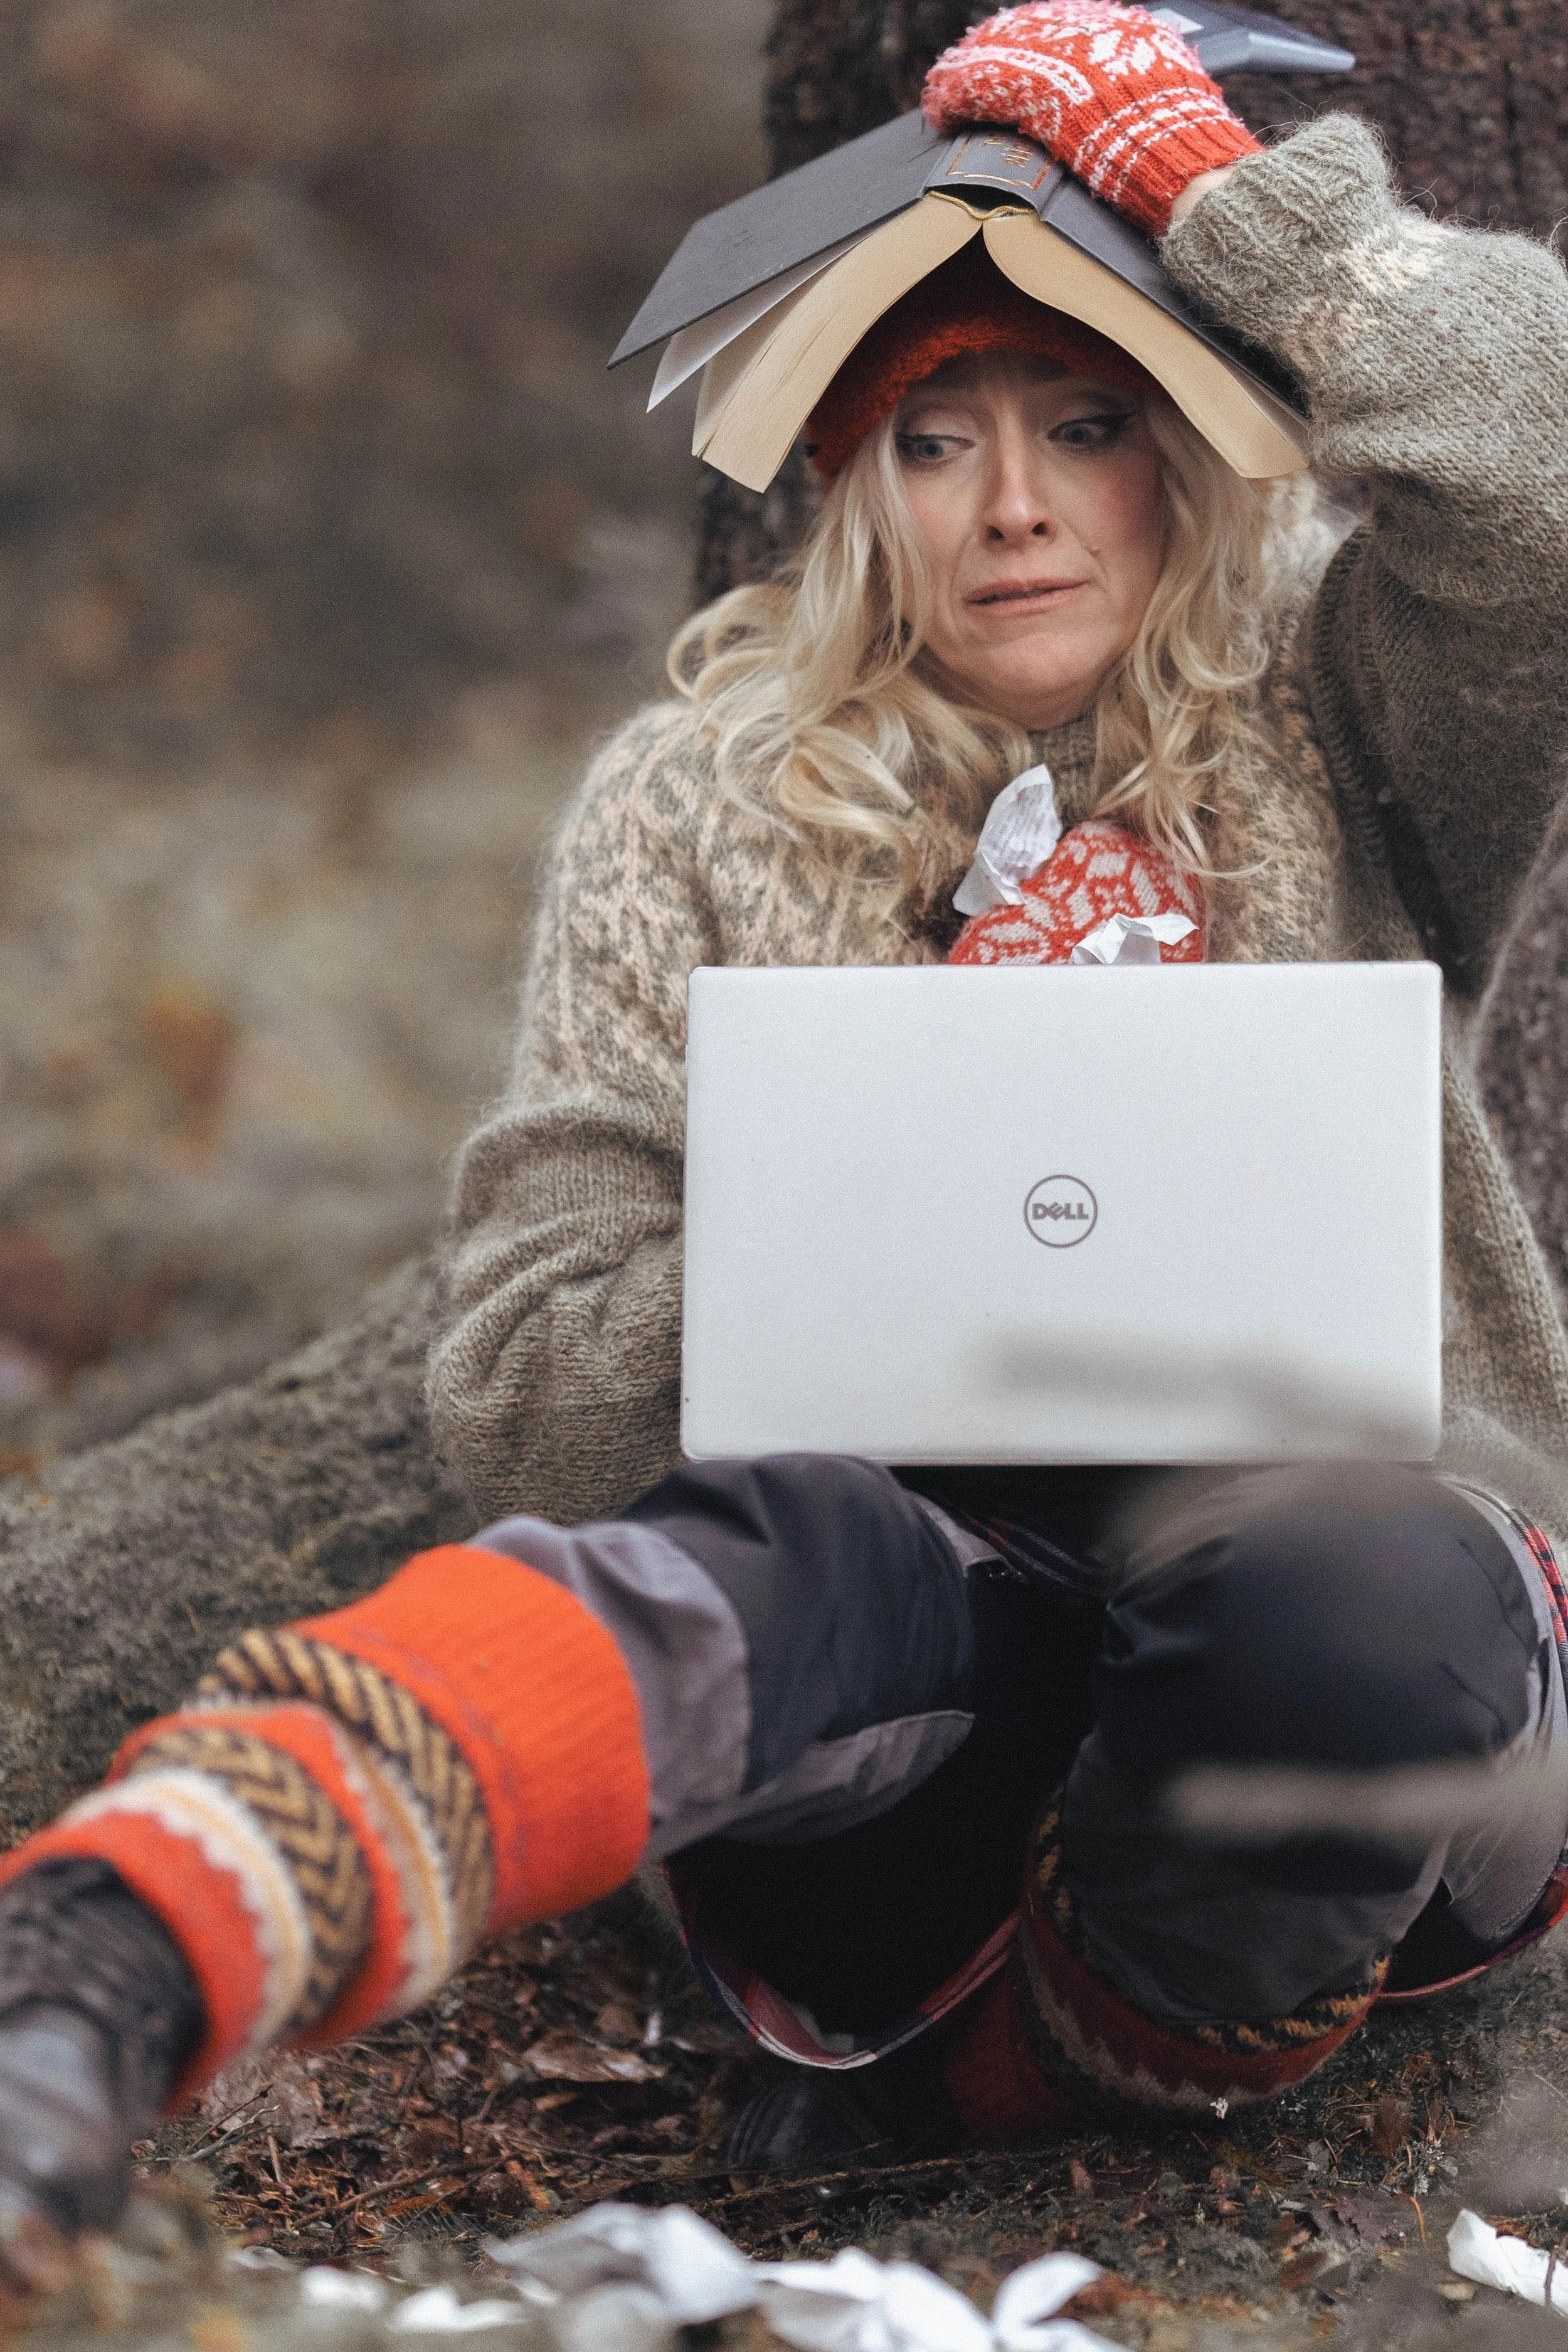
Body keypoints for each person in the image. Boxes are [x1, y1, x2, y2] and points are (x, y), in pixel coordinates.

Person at [0, 0, 1567, 2255]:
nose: (1011, 501)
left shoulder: (1341, 699)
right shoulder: (700, 803)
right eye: (933, 437)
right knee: (757, 1568)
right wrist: (876, 1198)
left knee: (1364, 1594)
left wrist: (1233, 196)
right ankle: (101, 1959)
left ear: (1189, 453)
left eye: (1085, 421)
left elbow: (1528, 454)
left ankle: (1006, 2081)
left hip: (1335, 1663)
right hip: (902, 1675)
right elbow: (527, 1380)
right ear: (853, 489)